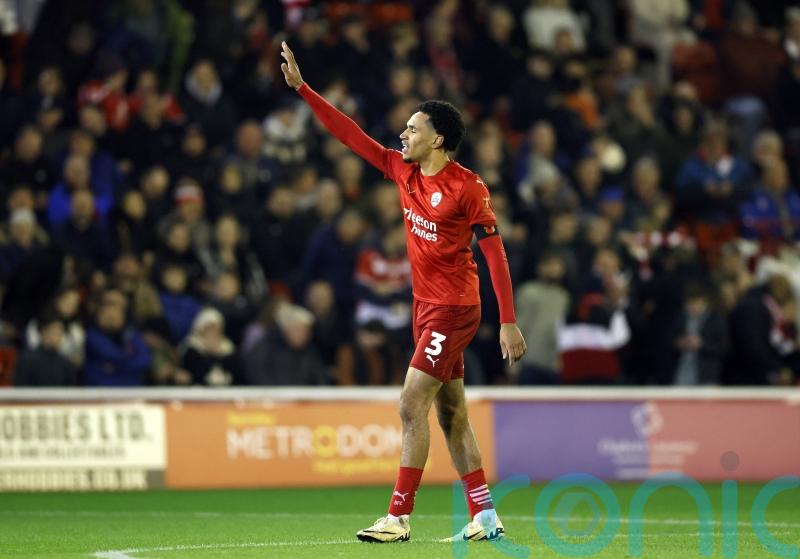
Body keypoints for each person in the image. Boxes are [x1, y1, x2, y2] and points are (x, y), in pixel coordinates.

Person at [280, 41, 527, 543]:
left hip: (455, 309)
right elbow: (353, 137)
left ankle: (398, 516)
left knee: (411, 404)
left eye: (413, 128)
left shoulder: (467, 187)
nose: (403, 134)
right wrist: (304, 90)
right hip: (425, 306)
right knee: (450, 411)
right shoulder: (402, 169)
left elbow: (494, 252)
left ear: (438, 140)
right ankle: (484, 515)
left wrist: (507, 319)